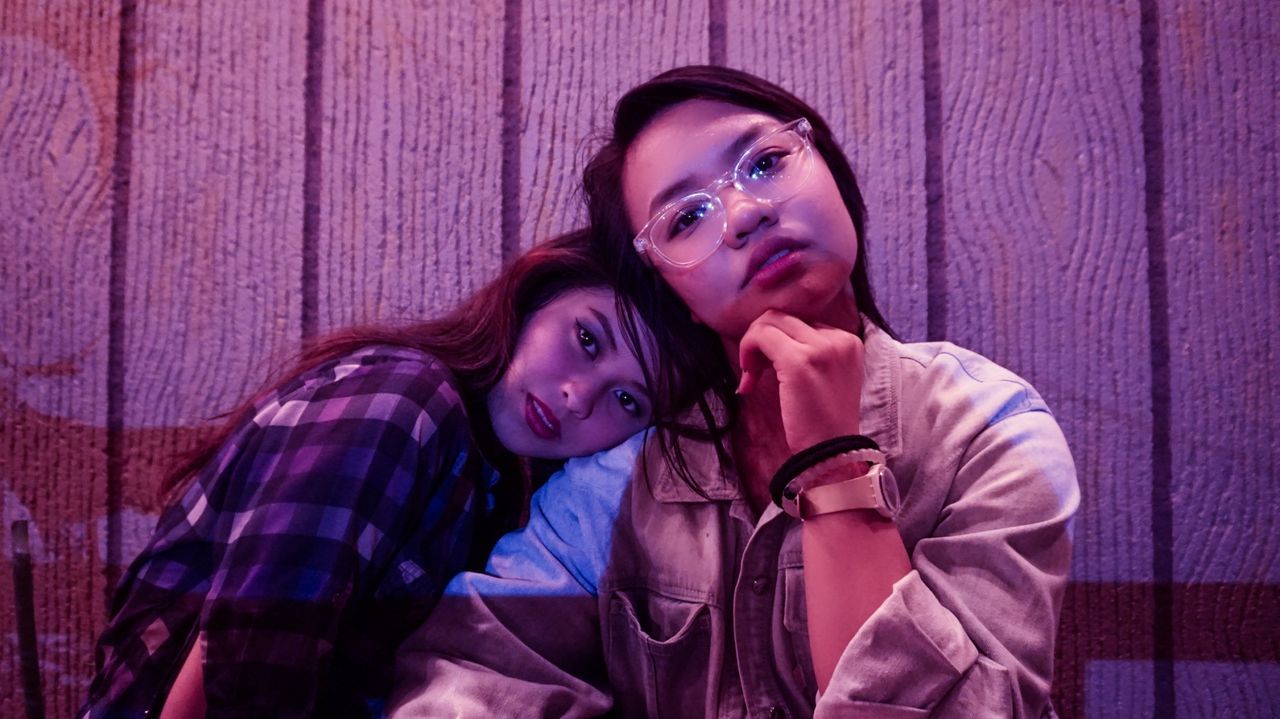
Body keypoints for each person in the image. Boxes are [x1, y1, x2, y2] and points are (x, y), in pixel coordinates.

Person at [388, 66, 1080, 718]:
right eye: (686, 219)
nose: (745, 214)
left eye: (766, 163)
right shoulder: (630, 472)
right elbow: (472, 665)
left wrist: (834, 464)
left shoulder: (990, 429)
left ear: (832, 172)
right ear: (673, 291)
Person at [77, 228, 719, 719]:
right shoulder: (405, 399)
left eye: (628, 401)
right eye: (586, 340)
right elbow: (248, 658)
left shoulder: (494, 488)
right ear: (536, 293)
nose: (580, 396)